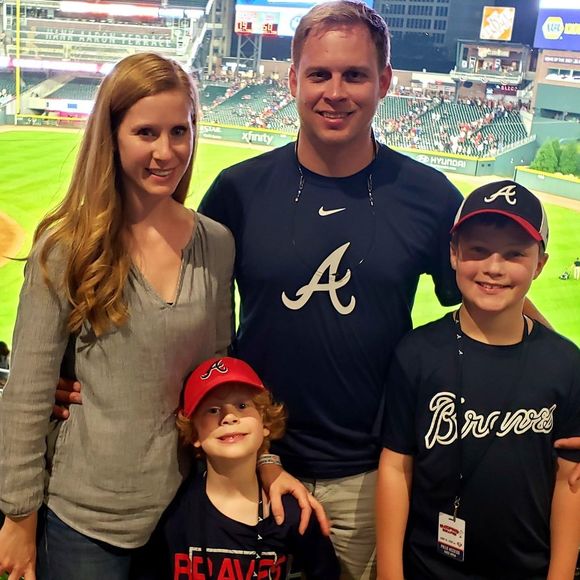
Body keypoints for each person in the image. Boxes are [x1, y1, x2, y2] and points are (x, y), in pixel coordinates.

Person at [53, 2, 580, 576]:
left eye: (355, 75)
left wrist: (567, 391)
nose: (335, 92)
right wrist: (76, 373)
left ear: (384, 81)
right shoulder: (238, 191)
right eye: (319, 74)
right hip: (244, 466)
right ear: (292, 80)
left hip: (369, 476)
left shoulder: (427, 196)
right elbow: (172, 303)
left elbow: (495, 295)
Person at [0, 52, 236, 580]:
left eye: (179, 131)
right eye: (145, 132)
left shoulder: (216, 244)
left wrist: (256, 462)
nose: (165, 151)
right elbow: (28, 392)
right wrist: (18, 515)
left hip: (184, 513)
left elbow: (217, 375)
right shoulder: (67, 246)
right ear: (112, 136)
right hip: (83, 521)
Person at [376, 180, 580, 580]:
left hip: (528, 568)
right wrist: (389, 573)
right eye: (478, 250)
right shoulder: (417, 353)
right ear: (453, 254)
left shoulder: (565, 363)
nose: (494, 267)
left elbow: (568, 482)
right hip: (428, 568)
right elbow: (397, 467)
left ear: (540, 264)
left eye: (515, 253)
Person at [135, 356, 340, 579]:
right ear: (194, 433)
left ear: (265, 423)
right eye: (213, 410)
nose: (229, 417)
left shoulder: (291, 512)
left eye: (242, 405)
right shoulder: (173, 513)